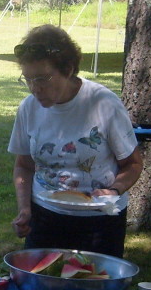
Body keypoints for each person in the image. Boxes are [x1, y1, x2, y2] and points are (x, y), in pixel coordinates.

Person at [8, 24, 143, 258]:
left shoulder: (103, 103)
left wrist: (113, 190)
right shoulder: (28, 108)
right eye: (28, 79)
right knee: (40, 289)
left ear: (68, 69)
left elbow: (133, 164)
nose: (34, 88)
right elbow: (24, 165)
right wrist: (25, 210)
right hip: (46, 217)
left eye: (42, 79)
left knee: (94, 287)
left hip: (99, 221)